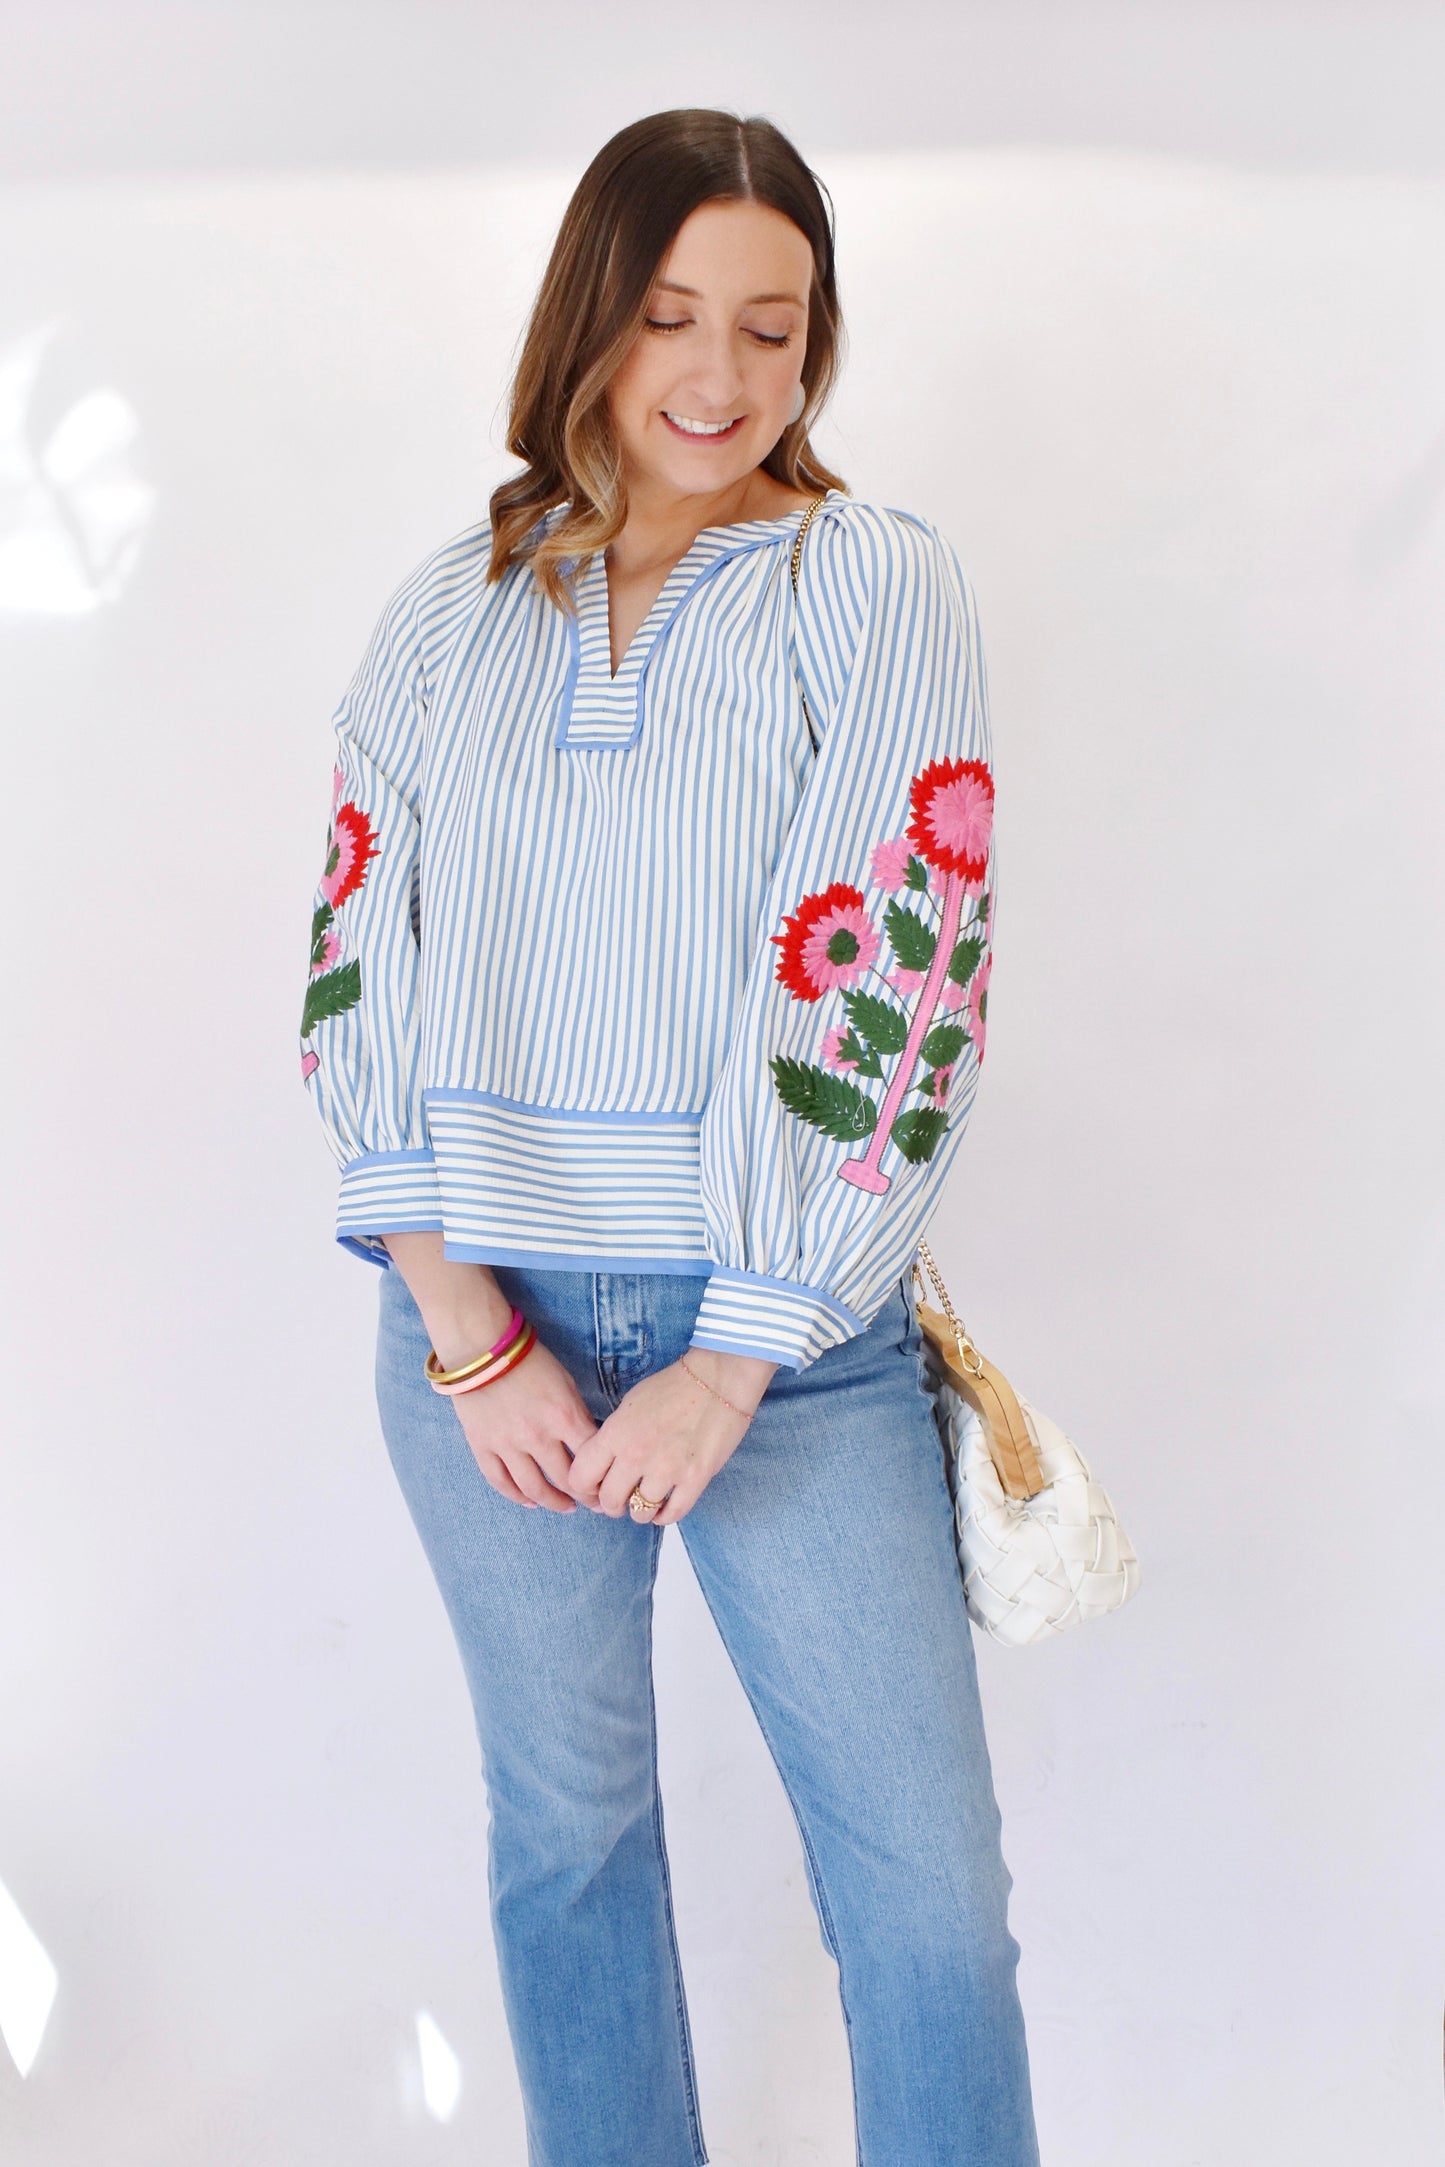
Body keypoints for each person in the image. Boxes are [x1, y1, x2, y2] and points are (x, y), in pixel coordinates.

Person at [300, 106, 1039, 2167]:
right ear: (591, 326)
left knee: (927, 1910)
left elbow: (903, 966)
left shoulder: (868, 584)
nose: (719, 379)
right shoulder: (452, 609)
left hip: (787, 1351)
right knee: (569, 1841)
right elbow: (363, 955)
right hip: (487, 1329)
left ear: (818, 349)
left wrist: (735, 1350)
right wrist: (462, 1325)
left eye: (774, 330)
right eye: (671, 316)